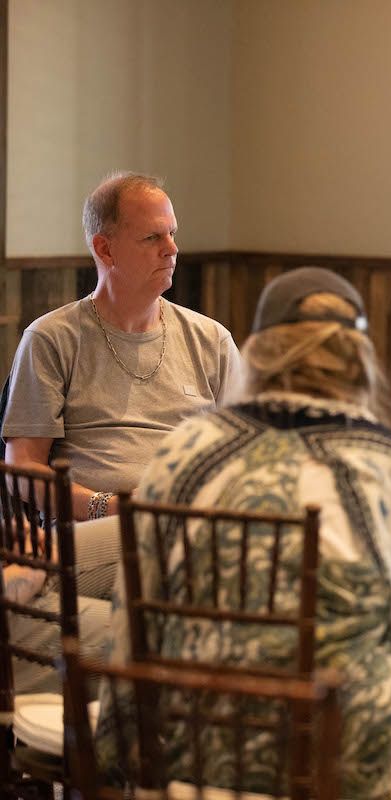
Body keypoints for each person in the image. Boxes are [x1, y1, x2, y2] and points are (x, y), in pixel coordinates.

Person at [94, 268, 391, 798]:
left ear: (258, 353)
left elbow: (141, 596)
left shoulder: (186, 449)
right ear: (359, 358)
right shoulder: (381, 459)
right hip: (337, 748)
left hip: (182, 727)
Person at [1, 172, 238, 693]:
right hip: (93, 531)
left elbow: (245, 466)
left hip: (194, 531)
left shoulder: (211, 341)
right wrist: (109, 507)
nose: (172, 248)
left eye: (173, 233)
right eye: (153, 237)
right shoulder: (52, 339)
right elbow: (23, 473)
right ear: (104, 248)